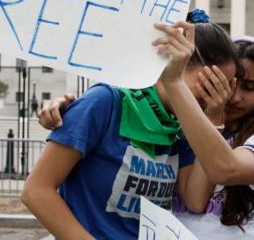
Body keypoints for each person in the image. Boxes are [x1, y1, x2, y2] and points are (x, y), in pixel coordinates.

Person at [39, 33, 254, 240]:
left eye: (247, 88)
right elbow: (39, 189)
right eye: (222, 84)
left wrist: (208, 115)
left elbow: (219, 172)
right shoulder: (177, 124)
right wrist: (72, 110)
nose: (232, 96)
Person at [21, 17, 238, 240]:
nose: (217, 96)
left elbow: (195, 199)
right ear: (176, 64)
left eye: (224, 89)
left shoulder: (184, 127)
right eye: (211, 84)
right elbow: (36, 190)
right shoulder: (104, 102)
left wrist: (212, 117)